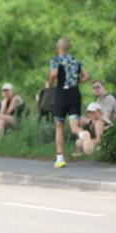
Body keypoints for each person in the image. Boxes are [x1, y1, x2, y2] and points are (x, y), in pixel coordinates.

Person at [48, 36, 91, 168]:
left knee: (59, 126)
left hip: (61, 93)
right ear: (69, 48)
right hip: (74, 93)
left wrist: (50, 84)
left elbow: (54, 73)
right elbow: (87, 75)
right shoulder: (76, 61)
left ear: (58, 48)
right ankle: (82, 134)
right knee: (74, 127)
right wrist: (77, 82)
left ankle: (60, 158)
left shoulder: (56, 60)